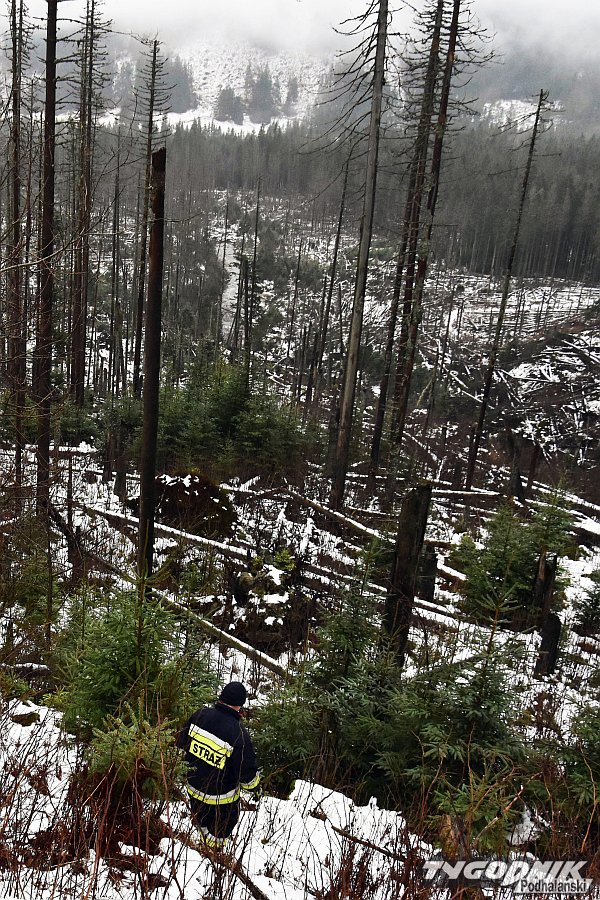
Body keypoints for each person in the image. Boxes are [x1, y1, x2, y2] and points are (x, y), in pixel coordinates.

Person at [177, 681, 260, 847]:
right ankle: (213, 855)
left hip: (193, 788)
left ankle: (200, 846)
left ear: (221, 697)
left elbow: (180, 745)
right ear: (240, 705)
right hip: (221, 800)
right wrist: (256, 788)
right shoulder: (238, 734)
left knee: (201, 823)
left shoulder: (199, 715)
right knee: (218, 834)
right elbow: (246, 774)